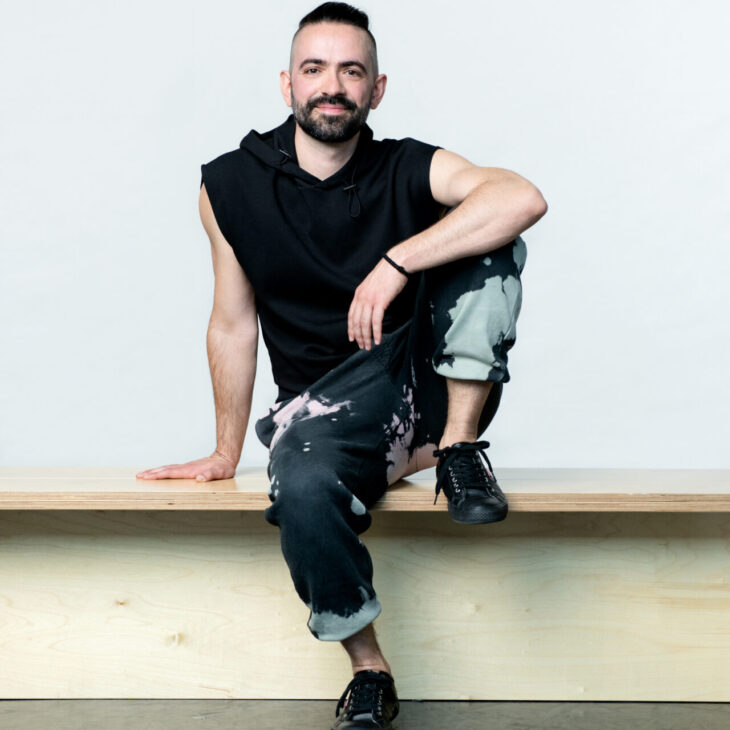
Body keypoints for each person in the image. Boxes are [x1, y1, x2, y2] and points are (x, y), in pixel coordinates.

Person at [137, 2, 547, 728]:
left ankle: (457, 449)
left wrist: (398, 261)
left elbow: (522, 197)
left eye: (351, 71)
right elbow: (232, 323)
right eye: (315, 69)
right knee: (298, 484)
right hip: (324, 410)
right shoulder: (230, 185)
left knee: (488, 237)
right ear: (287, 84)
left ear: (376, 89)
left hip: (426, 385)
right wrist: (227, 449)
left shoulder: (409, 166)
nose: (333, 85)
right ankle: (368, 666)